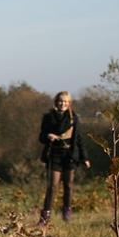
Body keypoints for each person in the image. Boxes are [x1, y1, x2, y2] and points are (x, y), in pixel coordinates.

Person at [37, 91, 90, 226]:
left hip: (69, 156)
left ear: (69, 103)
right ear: (56, 102)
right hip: (54, 155)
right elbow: (41, 137)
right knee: (52, 186)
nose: (63, 104)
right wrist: (48, 136)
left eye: (66, 101)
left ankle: (67, 213)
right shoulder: (48, 117)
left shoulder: (74, 118)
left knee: (68, 185)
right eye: (61, 101)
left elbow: (78, 139)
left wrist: (85, 158)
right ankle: (45, 217)